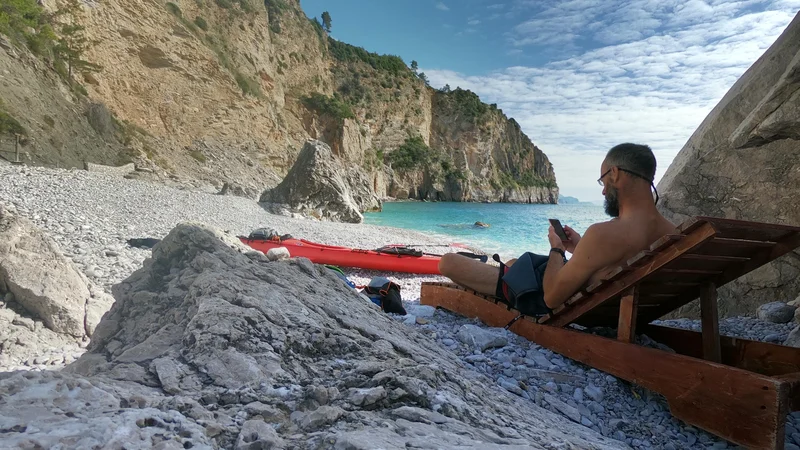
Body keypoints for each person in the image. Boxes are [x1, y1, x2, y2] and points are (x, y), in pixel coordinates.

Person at [437, 143, 677, 316]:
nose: (603, 191)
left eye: (603, 181)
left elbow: (551, 298)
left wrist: (557, 250)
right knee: (513, 262)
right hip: (616, 310)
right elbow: (612, 264)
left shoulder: (604, 234)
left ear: (614, 174)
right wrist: (581, 246)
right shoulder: (673, 234)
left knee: (448, 262)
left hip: (540, 298)